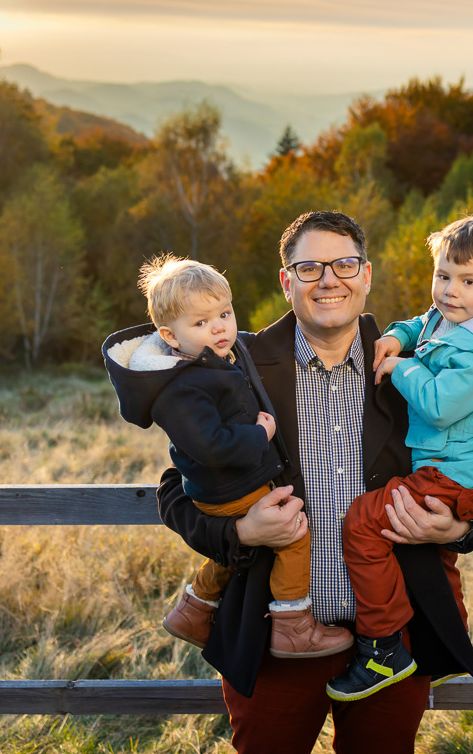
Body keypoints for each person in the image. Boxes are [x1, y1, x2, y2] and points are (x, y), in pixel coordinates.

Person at [156, 211, 473, 754]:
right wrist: (240, 532)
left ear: (366, 275)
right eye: (309, 267)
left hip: (392, 642)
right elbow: (177, 488)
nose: (328, 280)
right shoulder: (233, 364)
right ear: (286, 281)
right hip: (276, 637)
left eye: (344, 264)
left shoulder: (423, 365)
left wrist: (458, 528)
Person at [325, 214, 473, 701]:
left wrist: (399, 367)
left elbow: (440, 405)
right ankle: (446, 650)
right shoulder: (458, 315)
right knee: (437, 561)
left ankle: (383, 647)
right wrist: (398, 336)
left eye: (468, 281)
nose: (450, 291)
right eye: (443, 276)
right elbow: (424, 323)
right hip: (448, 467)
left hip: (458, 474)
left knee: (363, 522)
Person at [104, 255, 352, 659]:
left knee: (234, 554)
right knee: (294, 535)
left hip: (225, 487)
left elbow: (255, 344)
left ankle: (194, 610)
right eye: (201, 322)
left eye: (224, 313)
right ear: (169, 336)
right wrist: (259, 434)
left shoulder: (215, 358)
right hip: (229, 487)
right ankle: (293, 625)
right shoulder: (180, 387)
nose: (219, 327)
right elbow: (211, 445)